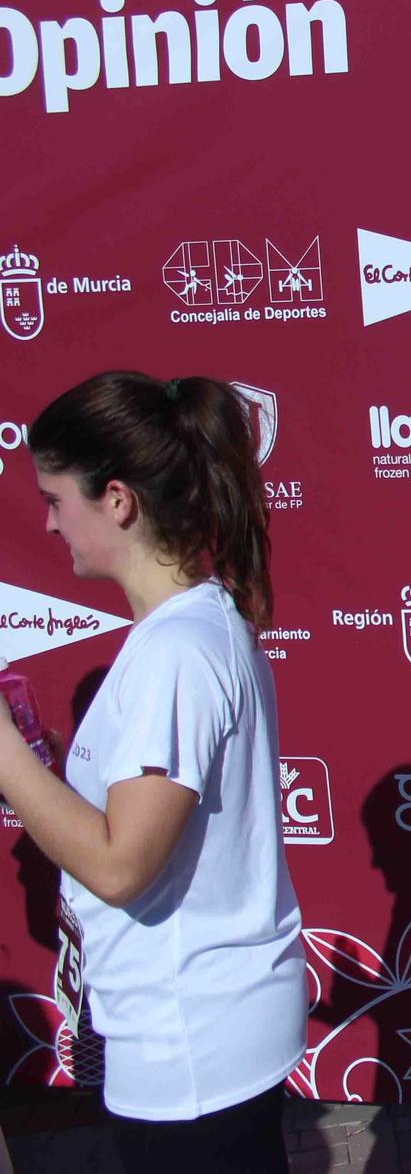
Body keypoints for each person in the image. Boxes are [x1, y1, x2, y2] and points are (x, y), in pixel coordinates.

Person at [0, 373, 306, 1172]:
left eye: (57, 498)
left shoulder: (177, 652)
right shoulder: (194, 629)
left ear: (118, 501)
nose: (48, 520)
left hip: (192, 1050)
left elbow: (119, 864)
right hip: (204, 1036)